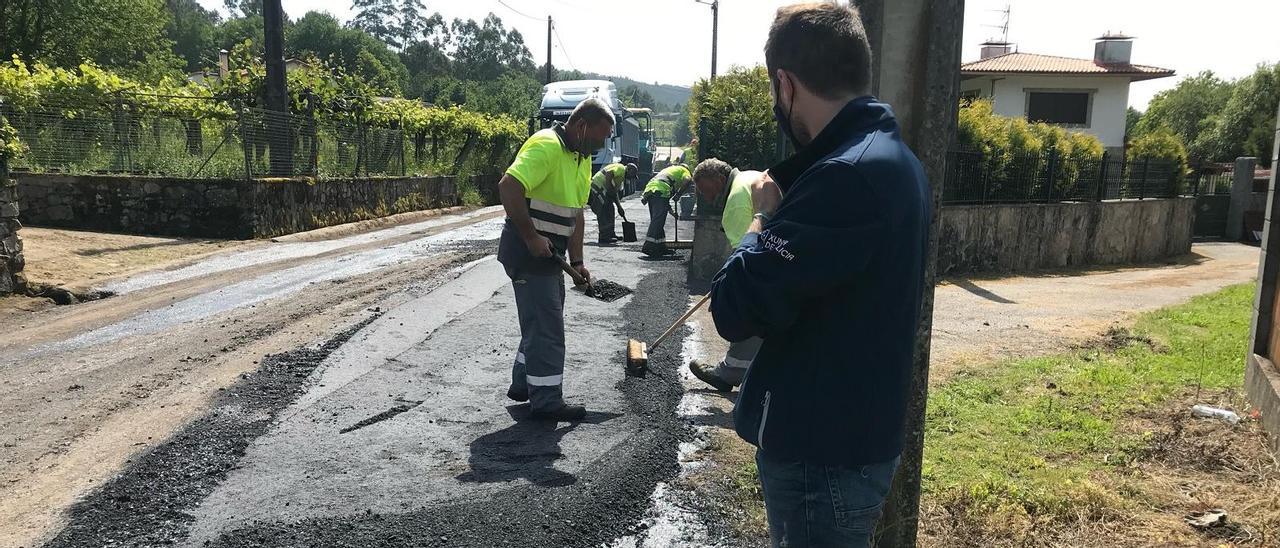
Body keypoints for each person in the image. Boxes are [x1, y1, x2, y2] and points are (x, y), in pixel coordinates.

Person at [708, 3, 930, 546]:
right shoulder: (892, 159)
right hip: (844, 439)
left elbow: (735, 307)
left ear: (786, 84)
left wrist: (763, 215)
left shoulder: (846, 178)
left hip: (820, 456)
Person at [496, 97, 615, 421]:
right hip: (526, 252)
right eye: (599, 138)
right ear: (581, 126)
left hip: (552, 256)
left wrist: (577, 263)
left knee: (542, 320)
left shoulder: (581, 157)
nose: (601, 145)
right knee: (548, 326)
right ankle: (546, 401)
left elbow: (575, 215)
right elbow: (509, 187)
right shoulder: (546, 145)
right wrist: (532, 237)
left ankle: (524, 385)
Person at [687, 158, 766, 392]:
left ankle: (731, 371)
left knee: (744, 304)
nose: (705, 197)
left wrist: (726, 290)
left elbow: (746, 257)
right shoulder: (748, 176)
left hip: (771, 260)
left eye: (705, 190)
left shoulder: (735, 203)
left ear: (719, 180)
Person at [639, 163, 692, 257]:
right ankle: (648, 246)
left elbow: (665, 204)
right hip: (660, 190)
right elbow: (687, 180)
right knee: (657, 221)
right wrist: (679, 194)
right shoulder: (684, 170)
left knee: (658, 220)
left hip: (651, 190)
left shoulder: (670, 170)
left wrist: (672, 213)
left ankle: (660, 247)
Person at [588, 162, 637, 244]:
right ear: (628, 169)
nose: (631, 178)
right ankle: (604, 237)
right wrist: (609, 188)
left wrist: (619, 207)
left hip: (604, 190)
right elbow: (609, 173)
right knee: (603, 210)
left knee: (611, 209)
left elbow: (615, 193)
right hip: (597, 187)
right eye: (632, 174)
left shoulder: (620, 179)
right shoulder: (621, 168)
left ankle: (611, 234)